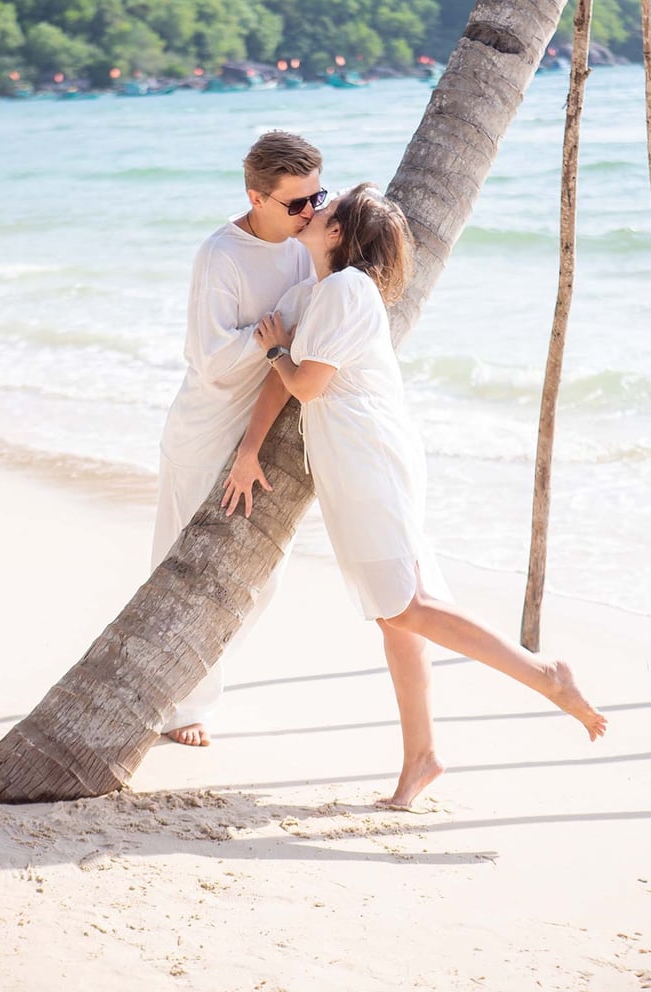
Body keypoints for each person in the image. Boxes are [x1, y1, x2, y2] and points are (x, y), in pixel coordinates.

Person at [222, 183, 607, 809]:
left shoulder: (347, 291)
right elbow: (283, 377)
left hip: (367, 458)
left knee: (403, 606)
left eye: (324, 207)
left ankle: (545, 675)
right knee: (396, 617)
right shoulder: (316, 293)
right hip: (355, 457)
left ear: (338, 233)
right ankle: (422, 757)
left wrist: (273, 350)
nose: (312, 210)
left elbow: (305, 383)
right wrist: (249, 446)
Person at [152, 138, 432, 754]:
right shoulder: (220, 255)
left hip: (268, 426)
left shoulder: (307, 247)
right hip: (205, 426)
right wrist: (273, 339)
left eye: (317, 197)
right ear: (257, 198)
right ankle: (180, 703)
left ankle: (195, 691)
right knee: (179, 567)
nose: (310, 212)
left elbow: (320, 332)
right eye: (296, 202)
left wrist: (285, 361)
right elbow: (209, 358)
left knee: (261, 579)